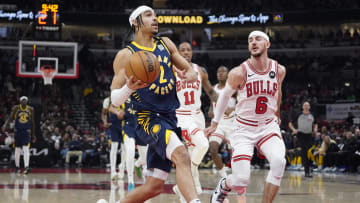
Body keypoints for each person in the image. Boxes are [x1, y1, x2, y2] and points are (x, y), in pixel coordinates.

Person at [110, 5, 200, 203]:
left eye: (156, 15)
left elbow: (190, 70)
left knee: (154, 187)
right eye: (148, 15)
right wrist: (129, 89)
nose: (155, 18)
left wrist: (190, 74)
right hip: (146, 119)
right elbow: (114, 99)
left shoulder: (166, 44)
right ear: (135, 22)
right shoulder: (126, 55)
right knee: (182, 155)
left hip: (169, 117)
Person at [205, 30, 286, 203]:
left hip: (267, 125)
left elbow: (278, 92)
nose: (253, 42)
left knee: (279, 162)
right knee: (241, 179)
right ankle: (224, 185)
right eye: (250, 40)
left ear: (267, 44)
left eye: (258, 39)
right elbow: (224, 97)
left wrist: (277, 114)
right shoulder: (238, 72)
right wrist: (214, 123)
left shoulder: (279, 70)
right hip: (243, 128)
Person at [172, 41, 217, 201]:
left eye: (188, 50)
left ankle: (183, 190)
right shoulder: (171, 70)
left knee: (192, 153)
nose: (185, 52)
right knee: (203, 144)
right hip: (181, 116)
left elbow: (211, 91)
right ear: (177, 53)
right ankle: (187, 182)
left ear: (192, 52)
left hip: (197, 116)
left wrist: (217, 108)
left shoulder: (200, 70)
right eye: (182, 50)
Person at [208, 66, 236, 177]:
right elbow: (212, 105)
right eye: (218, 71)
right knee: (213, 149)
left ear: (228, 74)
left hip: (231, 123)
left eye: (223, 71)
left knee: (236, 152)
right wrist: (210, 111)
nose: (220, 73)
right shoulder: (214, 88)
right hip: (217, 124)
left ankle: (238, 175)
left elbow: (242, 103)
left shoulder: (233, 88)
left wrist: (232, 109)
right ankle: (224, 176)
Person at [2, 96, 35, 174]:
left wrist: (33, 134)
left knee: (26, 148)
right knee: (17, 149)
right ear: (20, 101)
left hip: (26, 131)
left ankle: (26, 167)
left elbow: (32, 122)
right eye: (23, 100)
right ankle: (17, 167)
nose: (24, 102)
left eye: (25, 100)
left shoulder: (30, 109)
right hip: (17, 131)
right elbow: (10, 117)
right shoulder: (16, 108)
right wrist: (5, 125)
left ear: (27, 101)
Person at [289, 101, 318, 178]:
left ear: (309, 107)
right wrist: (294, 130)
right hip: (301, 135)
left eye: (307, 105)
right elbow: (290, 123)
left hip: (309, 135)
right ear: (302, 107)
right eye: (304, 105)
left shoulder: (312, 115)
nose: (306, 106)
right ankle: (307, 171)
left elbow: (315, 124)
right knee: (304, 152)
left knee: (311, 151)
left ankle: (311, 166)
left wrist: (315, 129)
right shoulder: (298, 115)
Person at [102, 96, 125, 180]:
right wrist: (105, 122)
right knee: (114, 147)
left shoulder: (125, 97)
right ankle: (113, 171)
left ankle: (121, 170)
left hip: (124, 125)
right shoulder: (107, 100)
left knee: (124, 149)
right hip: (114, 126)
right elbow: (103, 113)